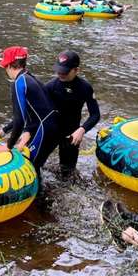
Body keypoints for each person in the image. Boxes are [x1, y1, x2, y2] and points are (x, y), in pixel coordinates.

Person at [0, 47, 60, 176]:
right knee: (36, 166)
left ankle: (37, 195)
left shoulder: (19, 83)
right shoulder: (31, 77)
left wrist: (8, 146)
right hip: (53, 129)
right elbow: (35, 113)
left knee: (29, 169)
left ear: (10, 65)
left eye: (5, 67)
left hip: (44, 130)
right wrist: (4, 131)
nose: (5, 70)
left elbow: (20, 119)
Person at [44, 50, 100, 179]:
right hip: (51, 132)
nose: (60, 74)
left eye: (65, 71)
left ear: (76, 70)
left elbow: (95, 115)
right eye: (58, 70)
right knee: (38, 165)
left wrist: (82, 129)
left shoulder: (85, 88)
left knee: (67, 174)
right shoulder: (50, 87)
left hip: (72, 135)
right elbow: (33, 112)